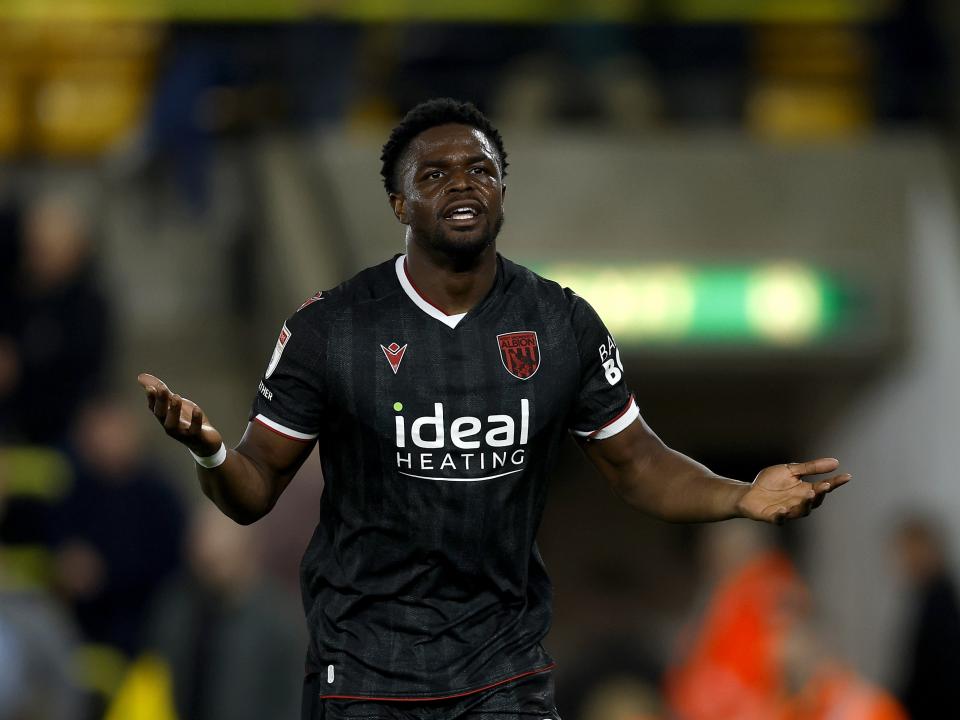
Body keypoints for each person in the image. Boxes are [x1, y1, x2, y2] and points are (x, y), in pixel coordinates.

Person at [137, 98, 851, 720]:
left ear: (503, 192)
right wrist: (211, 453)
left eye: (480, 169)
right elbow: (252, 489)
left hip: (501, 671)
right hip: (363, 673)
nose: (461, 183)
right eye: (435, 174)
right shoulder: (334, 328)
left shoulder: (560, 323)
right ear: (399, 205)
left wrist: (741, 496)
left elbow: (639, 465)